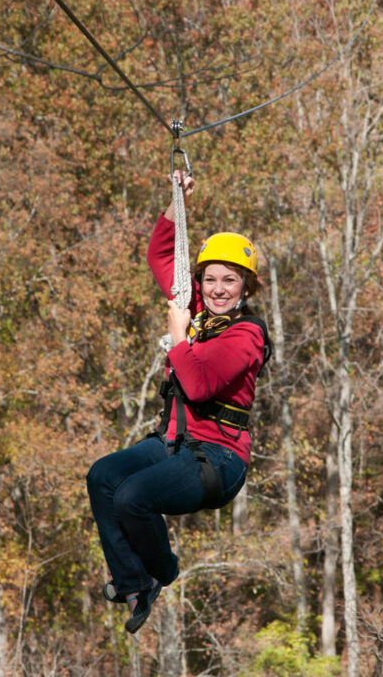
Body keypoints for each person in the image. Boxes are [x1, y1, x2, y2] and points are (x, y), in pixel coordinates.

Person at [86, 171, 269, 634]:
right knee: (103, 477)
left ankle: (163, 571)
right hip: (174, 443)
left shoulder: (247, 334)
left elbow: (202, 386)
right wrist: (176, 206)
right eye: (211, 279)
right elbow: (160, 254)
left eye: (230, 280)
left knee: (132, 497)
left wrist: (176, 339)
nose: (219, 289)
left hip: (218, 459)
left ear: (245, 287)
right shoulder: (194, 312)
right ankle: (133, 581)